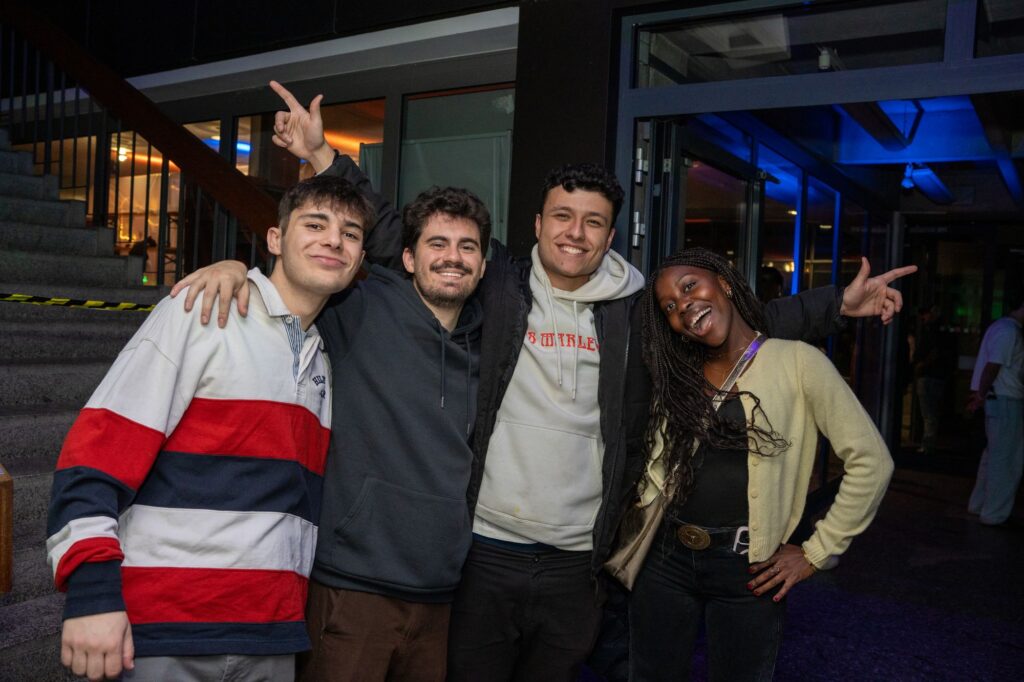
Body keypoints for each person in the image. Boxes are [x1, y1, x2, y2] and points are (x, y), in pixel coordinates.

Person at [181, 81, 917, 682]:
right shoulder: (498, 284)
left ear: (610, 236)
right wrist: (317, 162)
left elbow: (718, 320)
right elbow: (396, 234)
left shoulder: (636, 309)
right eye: (563, 216)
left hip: (577, 560)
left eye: (593, 222)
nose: (575, 232)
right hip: (484, 549)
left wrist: (834, 306)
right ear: (537, 224)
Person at [172, 83, 491, 681]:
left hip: (442, 590)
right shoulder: (359, 309)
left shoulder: (491, 337)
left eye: (467, 247)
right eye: (437, 244)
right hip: (352, 583)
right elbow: (315, 265)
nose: (452, 257)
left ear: (483, 262)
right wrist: (237, 268)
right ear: (407, 257)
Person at [46, 174, 375, 682]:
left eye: (350, 233)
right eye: (315, 224)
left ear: (358, 259)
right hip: (165, 626)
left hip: (270, 632)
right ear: (274, 239)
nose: (334, 240)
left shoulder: (322, 361)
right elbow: (96, 454)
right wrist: (92, 592)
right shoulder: (202, 311)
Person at [629, 247, 894, 681]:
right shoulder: (676, 371)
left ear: (724, 283)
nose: (684, 305)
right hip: (664, 560)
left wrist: (816, 552)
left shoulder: (799, 362)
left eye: (690, 286)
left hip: (749, 570)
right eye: (670, 307)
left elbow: (872, 461)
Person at [966, 285, 1024, 526]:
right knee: (1006, 458)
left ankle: (980, 505)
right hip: (1006, 400)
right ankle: (994, 513)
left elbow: (990, 366)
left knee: (994, 455)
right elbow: (993, 366)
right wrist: (980, 394)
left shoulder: (1001, 328)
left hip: (998, 399)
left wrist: (979, 394)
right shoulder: (1010, 331)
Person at [912, 304, 956, 454]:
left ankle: (928, 444)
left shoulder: (933, 332)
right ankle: (928, 442)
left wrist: (921, 365)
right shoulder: (940, 331)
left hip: (929, 376)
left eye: (925, 314)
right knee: (931, 412)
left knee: (928, 413)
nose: (923, 318)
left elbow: (935, 352)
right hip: (934, 376)